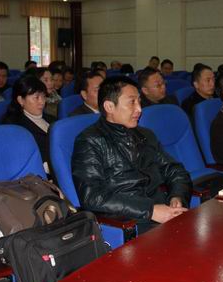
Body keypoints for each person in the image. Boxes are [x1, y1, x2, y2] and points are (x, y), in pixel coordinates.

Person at [72, 76, 191, 234]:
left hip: (161, 212)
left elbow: (175, 170)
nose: (139, 109)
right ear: (109, 106)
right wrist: (150, 210)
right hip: (128, 222)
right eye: (132, 102)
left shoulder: (145, 135)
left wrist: (177, 196)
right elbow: (92, 196)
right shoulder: (90, 141)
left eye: (139, 101)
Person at [2, 75, 55, 171]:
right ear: (21, 100)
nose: (42, 102)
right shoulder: (13, 127)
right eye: (36, 97)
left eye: (43, 96)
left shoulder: (52, 119)